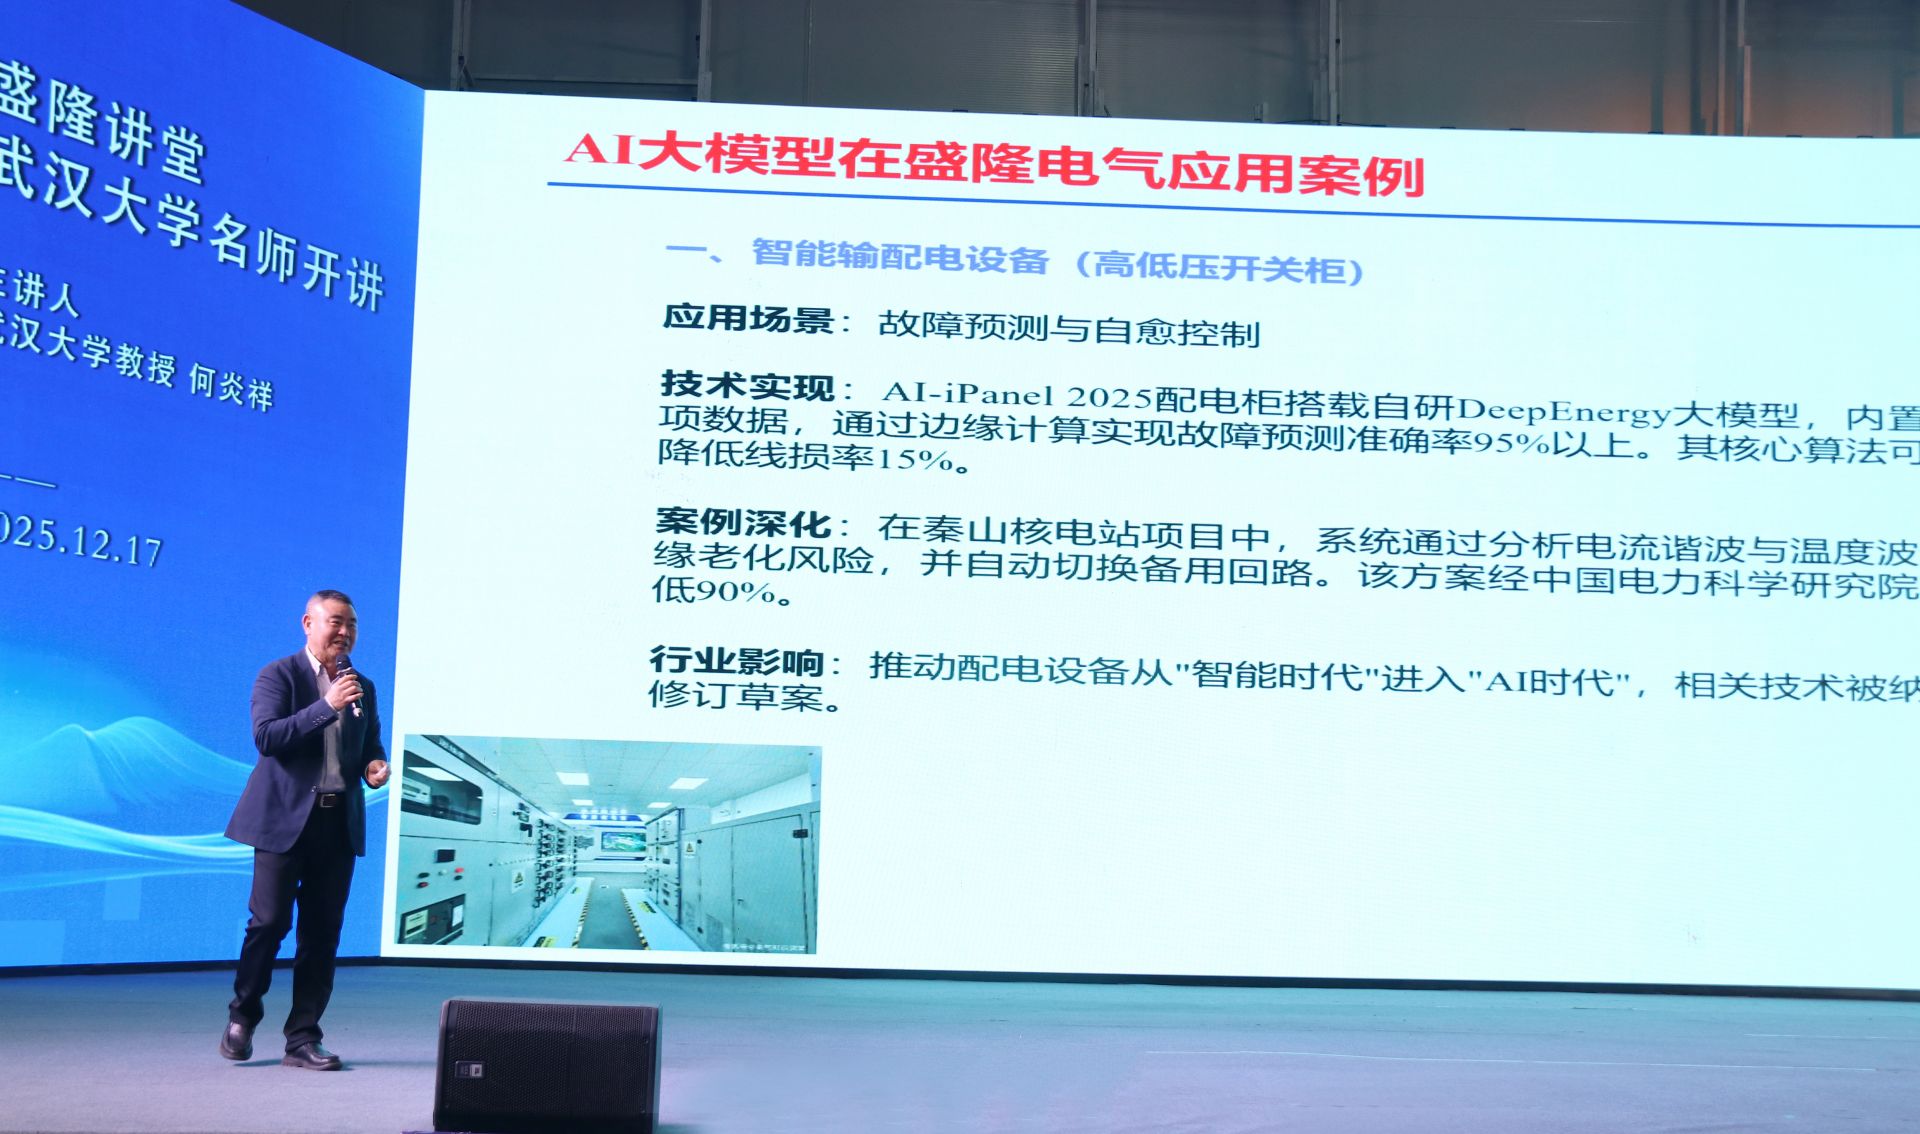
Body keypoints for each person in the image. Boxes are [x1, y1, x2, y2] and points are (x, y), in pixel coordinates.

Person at [220, 590, 391, 1070]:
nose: (345, 632)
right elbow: (267, 737)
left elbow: (370, 742)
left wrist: (374, 766)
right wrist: (326, 705)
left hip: (337, 824)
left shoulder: (362, 685)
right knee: (270, 923)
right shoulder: (278, 675)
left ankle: (302, 1038)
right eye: (335, 621)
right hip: (282, 822)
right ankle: (243, 1015)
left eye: (352, 624)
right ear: (308, 623)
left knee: (322, 934)